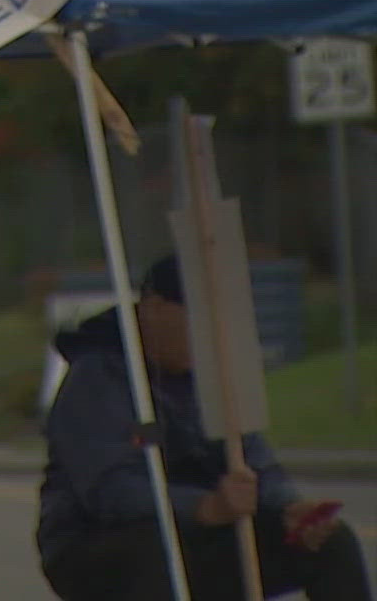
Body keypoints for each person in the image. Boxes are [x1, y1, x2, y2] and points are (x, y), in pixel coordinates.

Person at [38, 254, 373, 600]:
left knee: (331, 544)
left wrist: (291, 508)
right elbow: (112, 491)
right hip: (95, 543)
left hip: (203, 533)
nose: (210, 334)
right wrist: (204, 507)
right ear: (154, 308)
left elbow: (254, 461)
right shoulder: (98, 378)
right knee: (155, 549)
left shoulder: (213, 380)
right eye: (198, 318)